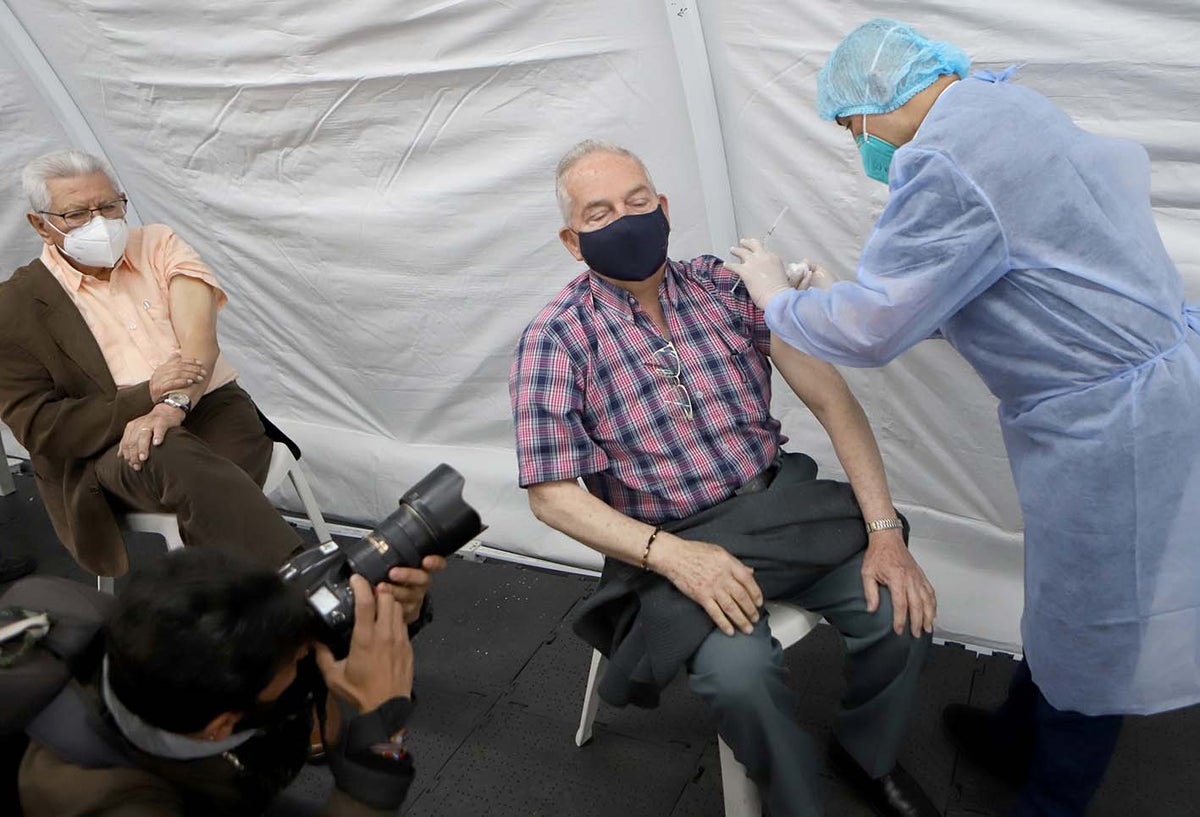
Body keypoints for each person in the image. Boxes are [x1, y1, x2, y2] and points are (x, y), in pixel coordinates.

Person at [725, 18, 1200, 817]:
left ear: (876, 100)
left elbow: (874, 332)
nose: (859, 146)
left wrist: (780, 298)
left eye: (850, 127)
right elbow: (1007, 277)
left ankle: (1051, 799)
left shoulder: (944, 162)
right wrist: (855, 297)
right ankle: (1016, 736)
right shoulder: (1002, 107)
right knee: (1067, 595)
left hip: (1116, 429)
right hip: (1135, 395)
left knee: (1098, 623)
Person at [509, 139, 939, 817]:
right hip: (671, 539)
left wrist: (885, 532)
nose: (625, 219)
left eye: (637, 201)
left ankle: (868, 755)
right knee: (742, 680)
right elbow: (551, 496)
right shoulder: (555, 339)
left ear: (664, 208)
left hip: (780, 506)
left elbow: (832, 400)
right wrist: (676, 558)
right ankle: (795, 799)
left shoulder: (725, 286)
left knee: (901, 609)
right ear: (572, 240)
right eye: (599, 213)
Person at [0, 150, 305, 578]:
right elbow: (42, 428)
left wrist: (169, 406)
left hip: (210, 405)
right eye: (77, 214)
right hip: (107, 445)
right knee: (171, 455)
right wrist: (145, 398)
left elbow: (199, 347)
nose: (100, 222)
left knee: (209, 490)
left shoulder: (158, 245)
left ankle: (246, 605)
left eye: (110, 206)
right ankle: (305, 581)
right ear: (40, 225)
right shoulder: (12, 306)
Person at [15, 547, 437, 815]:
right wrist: (383, 734)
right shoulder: (116, 804)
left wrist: (385, 616)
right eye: (294, 660)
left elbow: (274, 661)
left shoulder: (159, 640)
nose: (307, 655)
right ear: (221, 726)